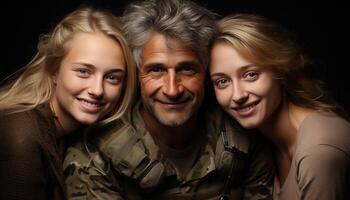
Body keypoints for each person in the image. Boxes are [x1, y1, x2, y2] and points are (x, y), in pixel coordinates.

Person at [63, 0, 274, 199]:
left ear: (206, 72)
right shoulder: (95, 158)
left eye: (187, 69)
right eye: (156, 70)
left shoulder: (246, 139)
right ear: (137, 75)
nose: (172, 90)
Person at [0, 6, 136, 200]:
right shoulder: (20, 137)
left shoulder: (75, 134)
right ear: (54, 70)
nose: (97, 90)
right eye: (83, 71)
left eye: (112, 77)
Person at [209, 14, 350, 200]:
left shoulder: (319, 150)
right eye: (222, 81)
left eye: (251, 75)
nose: (238, 95)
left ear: (280, 69)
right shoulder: (264, 144)